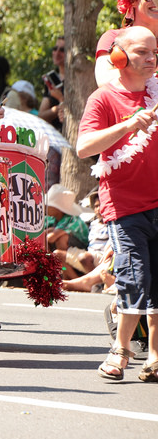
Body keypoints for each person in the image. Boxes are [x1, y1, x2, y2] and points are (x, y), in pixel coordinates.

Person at [77, 25, 158, 382]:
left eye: (155, 53)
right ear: (119, 57)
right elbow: (84, 148)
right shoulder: (104, 99)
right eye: (143, 53)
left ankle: (154, 356)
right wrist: (126, 127)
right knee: (134, 277)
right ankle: (120, 351)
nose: (152, 59)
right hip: (125, 206)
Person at [39, 37, 65, 128]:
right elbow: (41, 116)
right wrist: (58, 108)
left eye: (62, 50)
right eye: (55, 49)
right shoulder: (51, 79)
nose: (57, 53)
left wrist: (61, 99)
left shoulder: (78, 80)